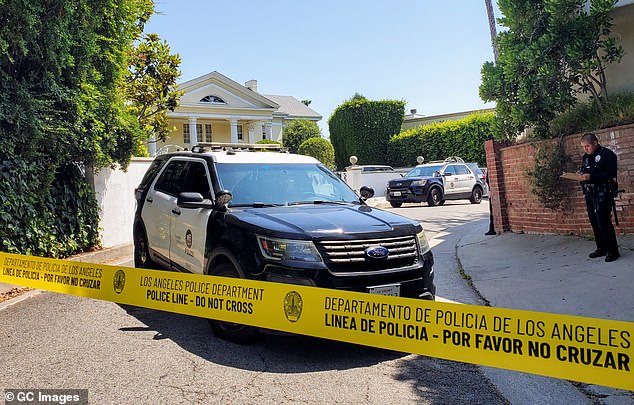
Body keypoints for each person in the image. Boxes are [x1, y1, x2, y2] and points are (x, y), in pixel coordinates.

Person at [578, 133, 620, 262]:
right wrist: (580, 175)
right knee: (594, 221)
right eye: (583, 147)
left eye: (587, 146)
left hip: (603, 192)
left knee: (604, 221)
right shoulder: (586, 157)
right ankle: (601, 248)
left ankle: (613, 251)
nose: (585, 149)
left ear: (595, 143)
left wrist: (591, 177)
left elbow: (610, 174)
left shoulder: (607, 155)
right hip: (590, 193)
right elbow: (584, 171)